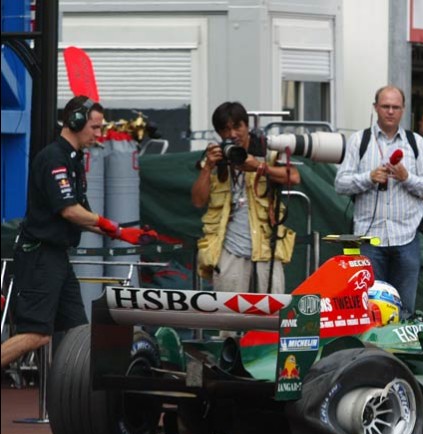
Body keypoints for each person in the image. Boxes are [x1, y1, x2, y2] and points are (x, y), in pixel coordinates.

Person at [1, 96, 156, 369]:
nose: (99, 134)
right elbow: (70, 211)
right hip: (40, 256)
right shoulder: (53, 158)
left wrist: (125, 235)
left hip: (58, 256)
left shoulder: (74, 160)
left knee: (78, 333)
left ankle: (75, 405)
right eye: (95, 127)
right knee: (36, 335)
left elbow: (82, 215)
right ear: (75, 122)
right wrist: (114, 227)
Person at [334, 85, 423, 320]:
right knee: (368, 309)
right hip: (370, 238)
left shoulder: (416, 142)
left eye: (395, 107)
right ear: (375, 108)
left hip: (406, 237)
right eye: (385, 106)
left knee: (405, 309)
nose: (390, 111)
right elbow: (340, 184)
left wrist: (406, 177)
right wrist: (368, 178)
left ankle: (399, 355)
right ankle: (369, 355)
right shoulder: (360, 140)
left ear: (403, 111)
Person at [191, 101, 300, 296]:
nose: (232, 135)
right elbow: (198, 201)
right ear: (218, 133)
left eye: (237, 127)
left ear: (246, 126)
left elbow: (294, 177)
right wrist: (208, 167)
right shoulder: (215, 157)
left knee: (270, 316)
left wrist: (258, 166)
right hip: (228, 249)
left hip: (267, 246)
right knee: (228, 318)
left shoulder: (267, 151)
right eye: (225, 130)